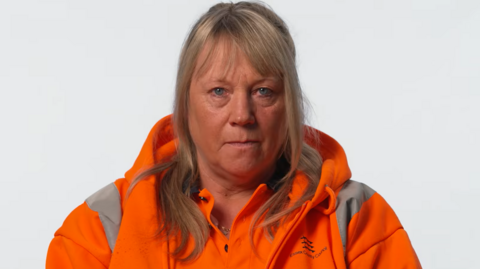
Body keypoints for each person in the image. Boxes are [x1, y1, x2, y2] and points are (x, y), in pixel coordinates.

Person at [46, 1, 421, 268]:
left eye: (263, 91)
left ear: (289, 104)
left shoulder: (354, 218)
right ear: (185, 105)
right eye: (219, 92)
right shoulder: (101, 228)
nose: (242, 116)